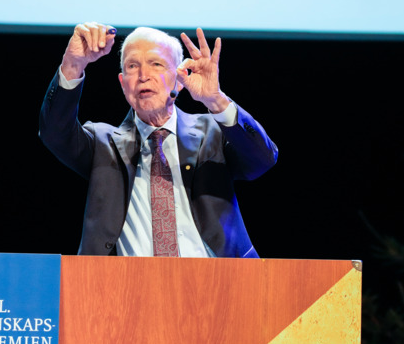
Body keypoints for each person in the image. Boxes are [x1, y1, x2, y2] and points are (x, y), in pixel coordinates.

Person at [39, 22, 277, 257]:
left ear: (179, 78)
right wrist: (72, 65)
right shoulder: (103, 143)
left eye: (156, 64)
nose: (143, 76)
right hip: (127, 288)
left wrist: (216, 100)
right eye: (132, 66)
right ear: (123, 84)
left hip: (218, 284)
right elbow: (55, 132)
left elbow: (263, 160)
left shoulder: (213, 131)